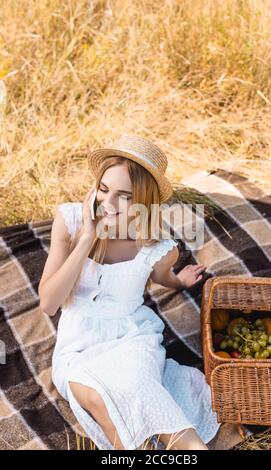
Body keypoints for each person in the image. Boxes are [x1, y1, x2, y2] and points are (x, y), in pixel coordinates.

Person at [38, 134, 220, 450]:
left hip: (131, 334)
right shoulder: (69, 220)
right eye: (104, 189)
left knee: (135, 385)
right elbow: (49, 303)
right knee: (97, 397)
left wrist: (181, 282)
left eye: (124, 196)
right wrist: (86, 239)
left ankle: (190, 448)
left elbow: (163, 277)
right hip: (77, 343)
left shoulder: (158, 247)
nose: (108, 204)